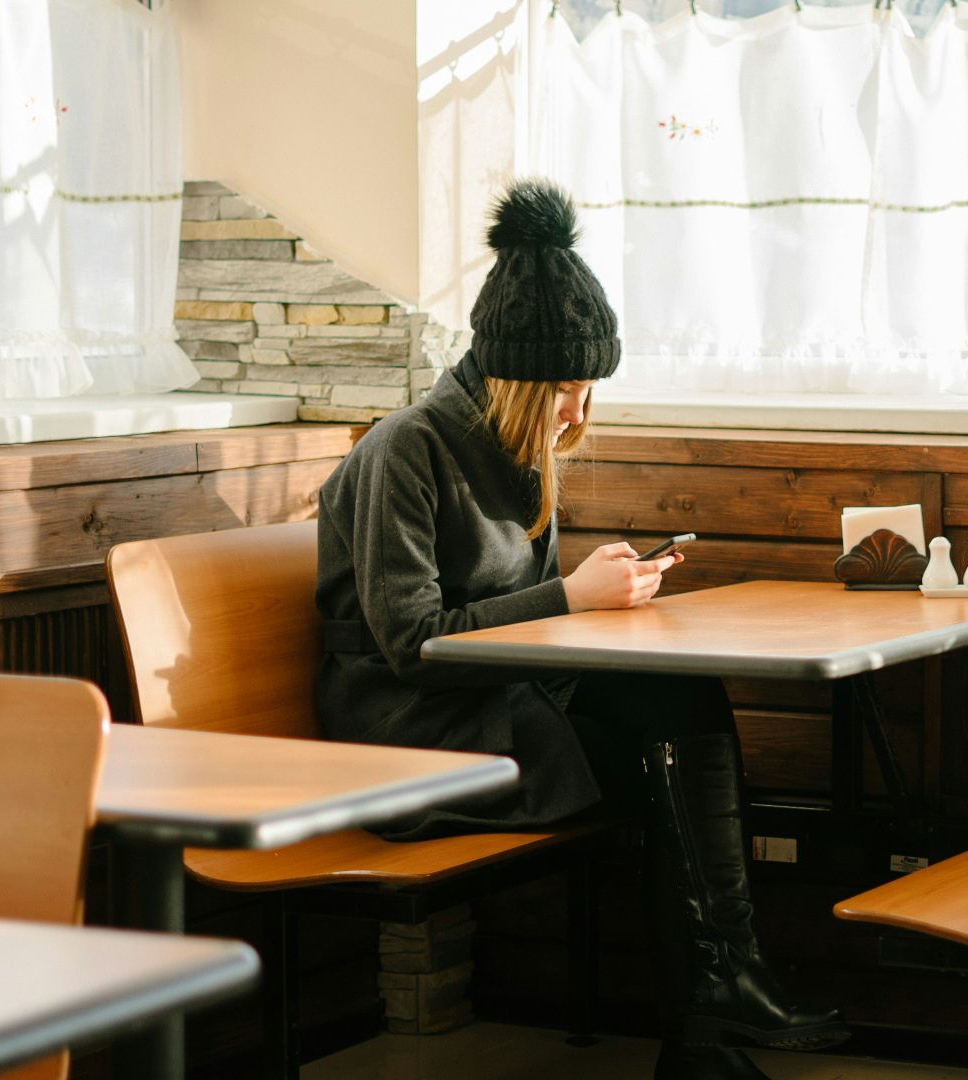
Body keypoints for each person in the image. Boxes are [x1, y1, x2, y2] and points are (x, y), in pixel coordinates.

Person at [313, 178, 846, 1080]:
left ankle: (719, 1000)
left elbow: (514, 621)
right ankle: (708, 1022)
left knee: (680, 705)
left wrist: (597, 597)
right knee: (655, 763)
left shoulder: (517, 454)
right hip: (409, 731)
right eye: (566, 389)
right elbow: (413, 644)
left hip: (498, 700)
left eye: (587, 389)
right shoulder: (406, 449)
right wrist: (568, 599)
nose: (579, 412)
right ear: (515, 376)